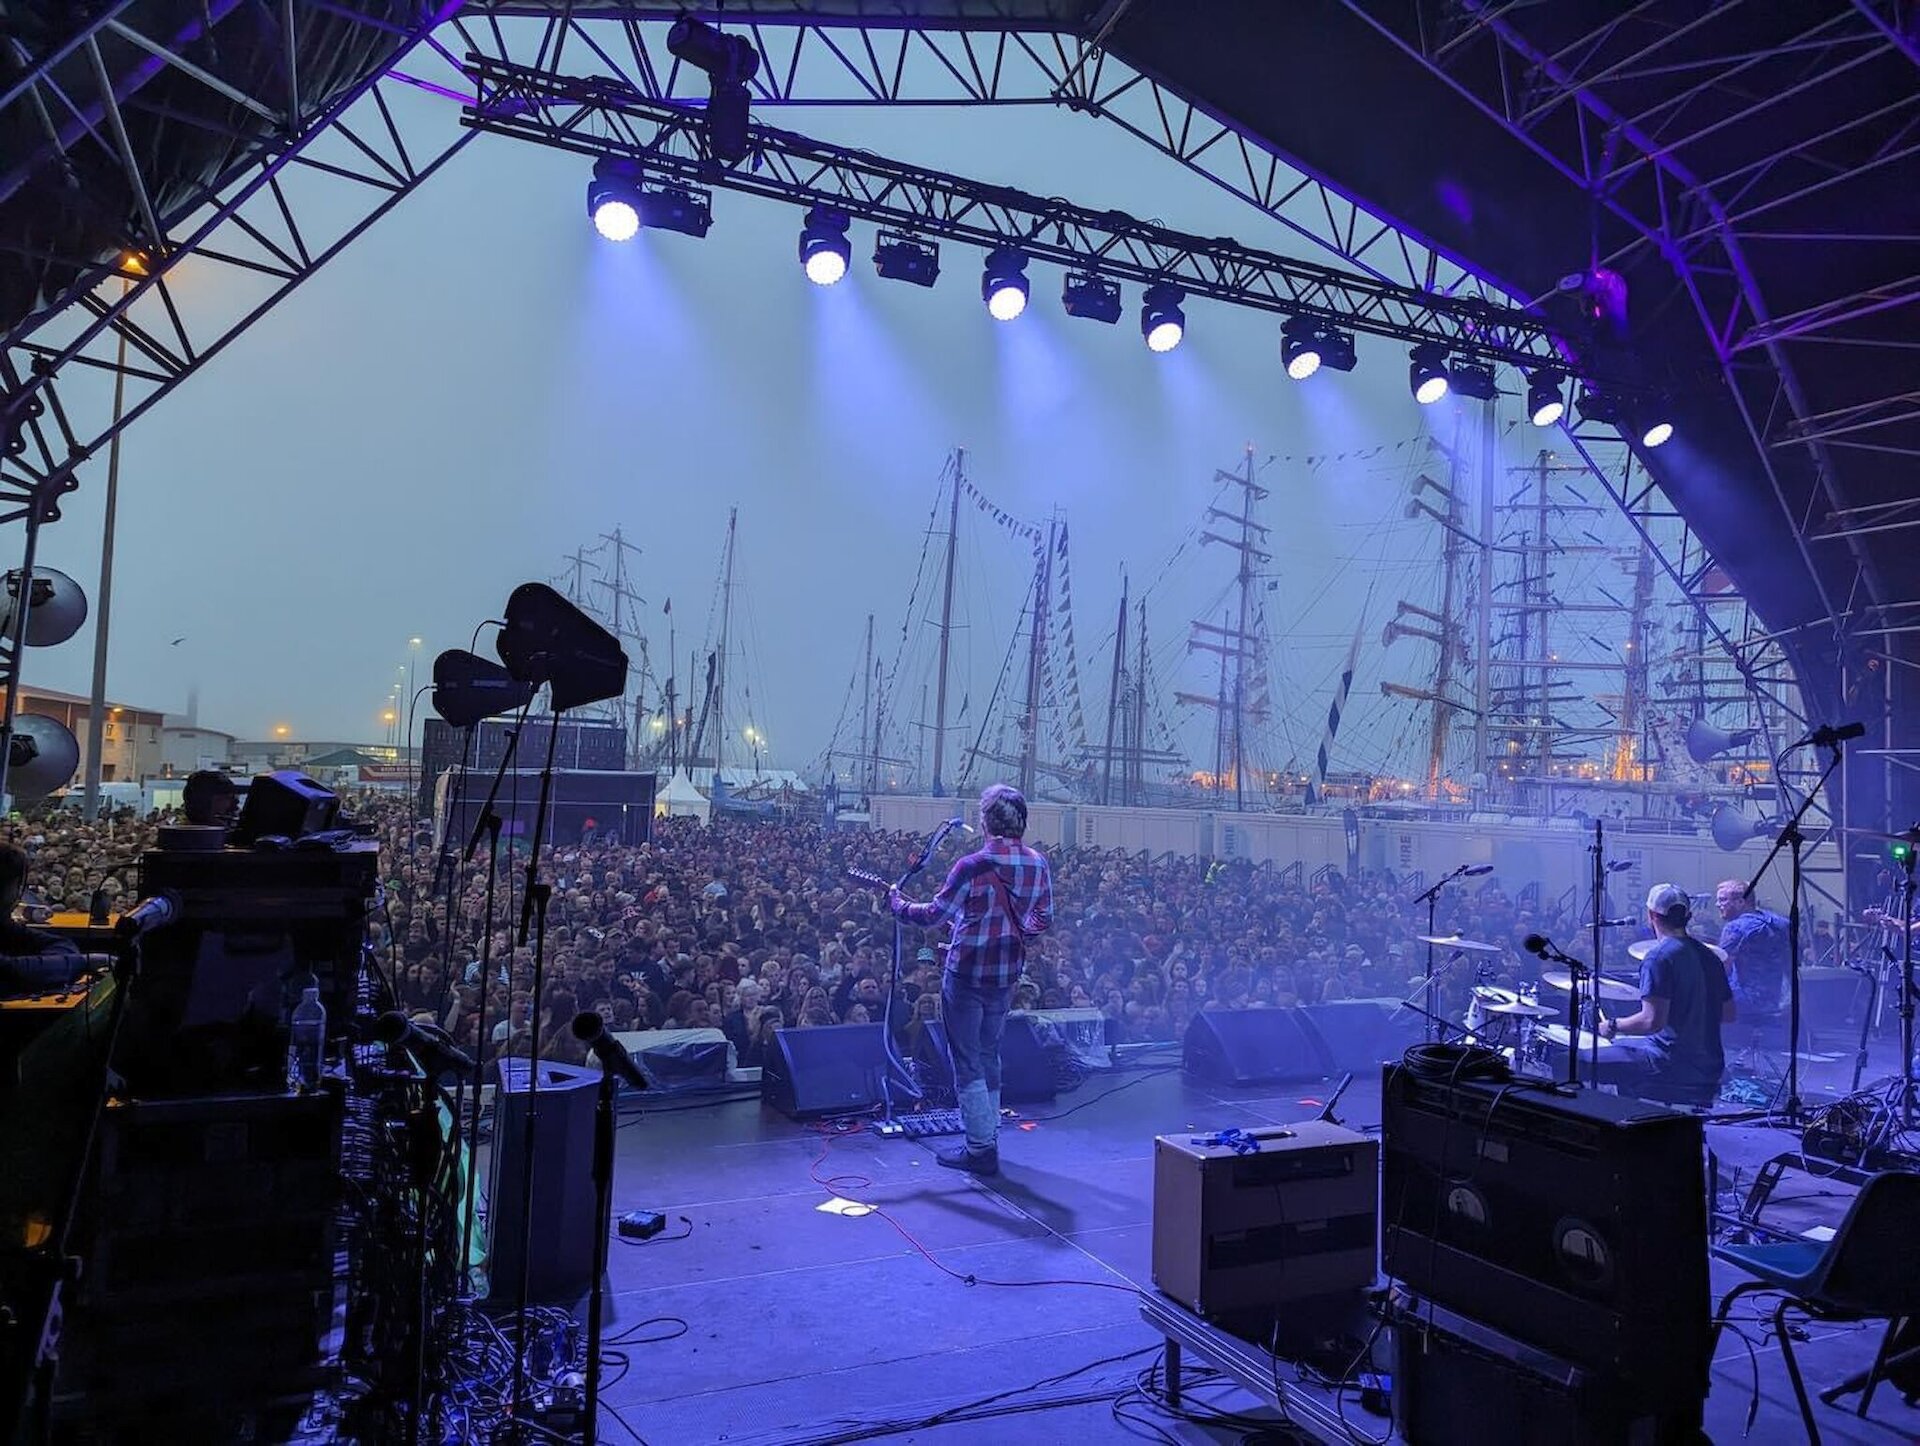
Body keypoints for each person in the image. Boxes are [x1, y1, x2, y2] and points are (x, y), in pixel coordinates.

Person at [890, 784, 1052, 1175]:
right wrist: (1012, 939)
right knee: (988, 1052)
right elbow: (1042, 918)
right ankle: (988, 1133)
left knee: (966, 1060)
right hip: (1007, 974)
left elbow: (934, 914)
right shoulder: (1038, 863)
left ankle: (980, 1149)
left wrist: (898, 905)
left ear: (985, 821)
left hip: (966, 975)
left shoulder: (972, 864)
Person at [1600, 883, 1734, 1106]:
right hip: (1712, 1064)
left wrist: (1612, 1025)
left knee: (1571, 1060)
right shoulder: (1710, 957)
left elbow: (1651, 1022)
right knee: (1628, 1049)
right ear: (1688, 916)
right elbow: (1728, 1014)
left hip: (1669, 1063)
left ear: (1650, 915)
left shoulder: (1658, 958)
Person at [0, 843, 81, 995]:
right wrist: (84, 961)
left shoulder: (4, 923)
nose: (18, 895)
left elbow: (62, 945)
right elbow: (13, 971)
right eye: (16, 885)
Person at [1715, 879, 1791, 1017]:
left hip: (1748, 1003)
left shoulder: (1736, 927)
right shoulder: (1783, 923)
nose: (1717, 904)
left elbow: (1720, 968)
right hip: (1781, 1001)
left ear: (1740, 902)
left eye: (1723, 900)